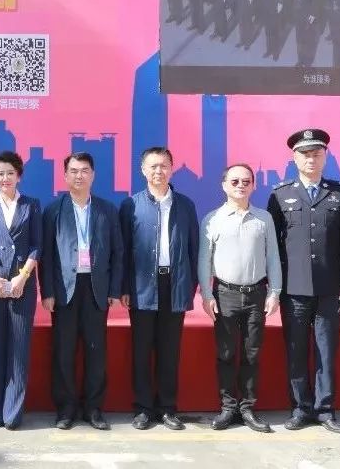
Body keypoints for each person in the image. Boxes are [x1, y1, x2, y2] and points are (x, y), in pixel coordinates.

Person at [267, 129, 340, 433]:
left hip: (331, 289)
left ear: (325, 157)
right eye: (305, 154)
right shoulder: (280, 195)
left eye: (316, 153)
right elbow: (272, 245)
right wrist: (274, 286)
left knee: (326, 351)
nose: (311, 159)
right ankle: (300, 408)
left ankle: (325, 409)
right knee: (296, 350)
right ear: (294, 158)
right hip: (293, 288)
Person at [41, 152, 122, 431]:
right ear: (65, 176)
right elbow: (47, 255)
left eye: (84, 170)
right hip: (64, 289)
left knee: (95, 351)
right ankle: (66, 408)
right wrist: (47, 291)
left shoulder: (107, 210)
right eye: (73, 171)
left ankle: (93, 408)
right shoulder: (53, 210)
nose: (79, 176)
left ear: (93, 175)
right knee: (63, 352)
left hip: (96, 288)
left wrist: (114, 289)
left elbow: (118, 253)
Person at [119, 147, 199, 430]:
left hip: (174, 284)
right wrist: (124, 287)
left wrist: (190, 285)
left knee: (169, 351)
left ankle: (167, 408)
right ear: (143, 170)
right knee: (141, 350)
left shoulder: (185, 205)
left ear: (172, 169)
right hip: (142, 285)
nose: (158, 171)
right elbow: (123, 250)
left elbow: (193, 249)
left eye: (163, 166)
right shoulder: (131, 205)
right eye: (152, 166)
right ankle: (143, 408)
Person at [198, 163, 282, 432]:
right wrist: (206, 294)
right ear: (224, 185)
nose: (240, 186)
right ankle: (227, 407)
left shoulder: (263, 218)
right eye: (234, 181)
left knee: (251, 354)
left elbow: (273, 257)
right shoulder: (212, 219)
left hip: (256, 294)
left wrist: (275, 292)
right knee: (225, 354)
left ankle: (247, 408)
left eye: (246, 181)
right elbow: (204, 259)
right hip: (224, 295)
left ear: (254, 185)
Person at [0, 151, 41, 430]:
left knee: (19, 349)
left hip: (22, 285)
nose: (5, 178)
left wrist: (22, 278)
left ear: (19, 176)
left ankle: (13, 412)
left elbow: (36, 246)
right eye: (0, 173)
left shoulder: (32, 205)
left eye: (10, 173)